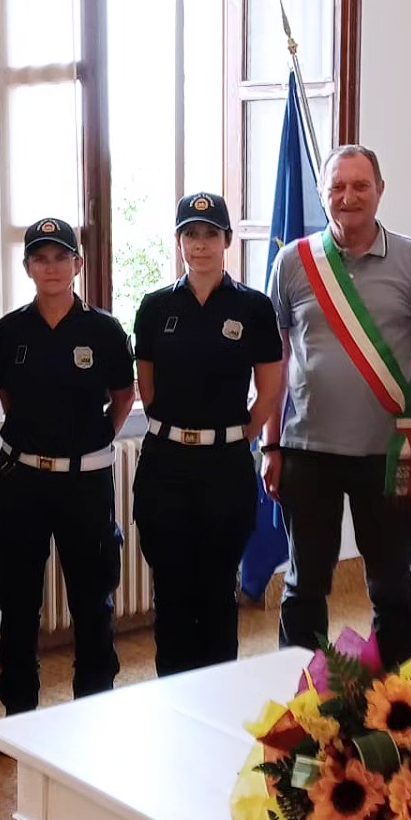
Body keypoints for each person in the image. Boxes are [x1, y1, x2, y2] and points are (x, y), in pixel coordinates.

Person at [263, 145, 411, 670]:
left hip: (389, 454)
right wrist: (270, 445)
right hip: (306, 450)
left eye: (360, 185)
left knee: (392, 585)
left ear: (380, 190)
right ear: (323, 195)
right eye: (337, 187)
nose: (348, 197)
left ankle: (397, 701)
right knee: (305, 585)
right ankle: (302, 695)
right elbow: (275, 362)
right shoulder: (293, 262)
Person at [0, 218, 135, 713]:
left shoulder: (104, 330)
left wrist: (89, 445)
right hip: (21, 480)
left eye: (60, 257)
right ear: (27, 267)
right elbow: (8, 397)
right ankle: (19, 712)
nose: (50, 267)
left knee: (92, 602)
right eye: (40, 258)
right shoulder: (8, 331)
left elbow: (123, 396)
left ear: (78, 264)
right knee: (17, 601)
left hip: (84, 483)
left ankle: (92, 709)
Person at [133, 193, 284, 675]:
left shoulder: (253, 307)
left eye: (210, 234)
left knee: (219, 589)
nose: (200, 244)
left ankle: (217, 697)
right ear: (179, 241)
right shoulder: (155, 306)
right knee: (171, 591)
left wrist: (240, 434)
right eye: (190, 234)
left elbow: (270, 388)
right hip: (166, 466)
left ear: (227, 241)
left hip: (225, 466)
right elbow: (147, 388)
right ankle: (173, 697)